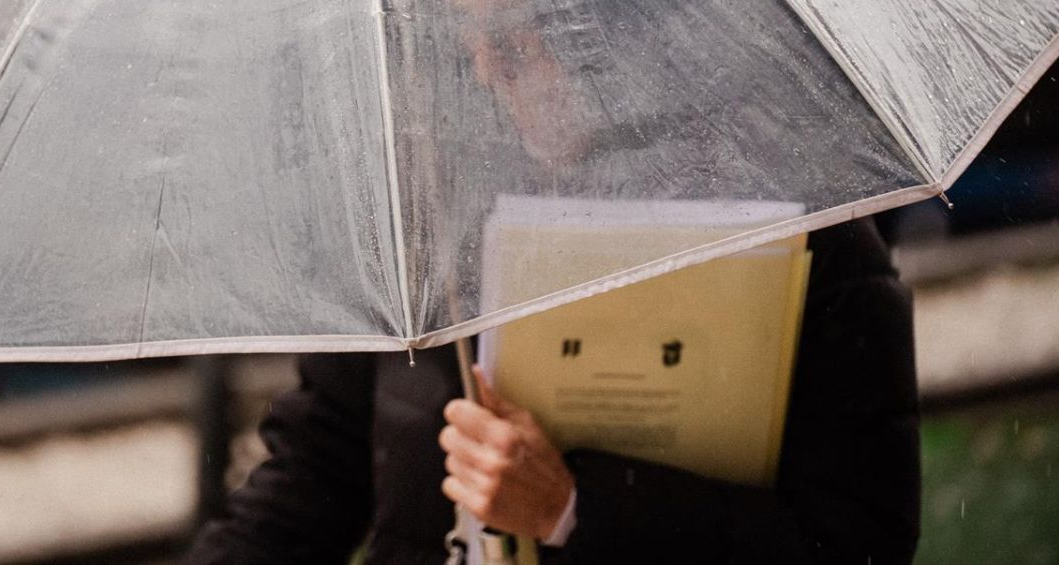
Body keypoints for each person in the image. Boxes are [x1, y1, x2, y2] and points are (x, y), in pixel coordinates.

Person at [186, 217, 920, 563]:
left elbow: (857, 542)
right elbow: (314, 472)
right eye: (466, 27)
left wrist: (575, 508)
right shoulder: (416, 221)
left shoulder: (807, 233)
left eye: (518, 28)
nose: (489, 62)